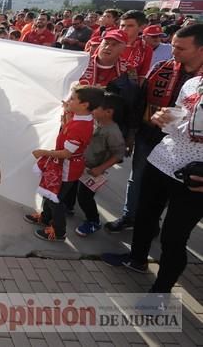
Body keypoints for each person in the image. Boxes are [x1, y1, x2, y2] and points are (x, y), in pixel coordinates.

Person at [102, 75, 203, 294]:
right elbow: (178, 116)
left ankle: (160, 292)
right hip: (161, 160)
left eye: (181, 48)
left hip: (194, 178)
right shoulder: (193, 82)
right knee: (145, 215)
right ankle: (136, 259)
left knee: (173, 237)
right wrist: (162, 117)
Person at [106, 24, 203, 232]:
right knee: (138, 179)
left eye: (180, 49)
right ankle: (131, 217)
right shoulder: (162, 68)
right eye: (173, 46)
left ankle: (154, 224)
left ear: (200, 50)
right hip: (149, 135)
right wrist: (131, 134)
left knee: (174, 194)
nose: (173, 51)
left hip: (189, 149)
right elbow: (141, 101)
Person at [24, 85, 104, 242]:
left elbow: (67, 153)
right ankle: (46, 218)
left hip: (67, 168)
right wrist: (67, 112)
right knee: (50, 192)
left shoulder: (80, 127)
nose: (69, 101)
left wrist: (43, 152)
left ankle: (59, 232)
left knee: (56, 199)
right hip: (62, 165)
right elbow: (68, 127)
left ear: (85, 105)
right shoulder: (81, 116)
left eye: (73, 98)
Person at [73, 93, 126, 236]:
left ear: (108, 112)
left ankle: (93, 221)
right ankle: (68, 207)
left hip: (93, 171)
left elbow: (119, 153)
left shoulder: (113, 132)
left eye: (96, 107)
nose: (92, 109)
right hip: (81, 165)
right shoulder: (95, 120)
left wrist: (100, 168)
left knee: (84, 197)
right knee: (72, 187)